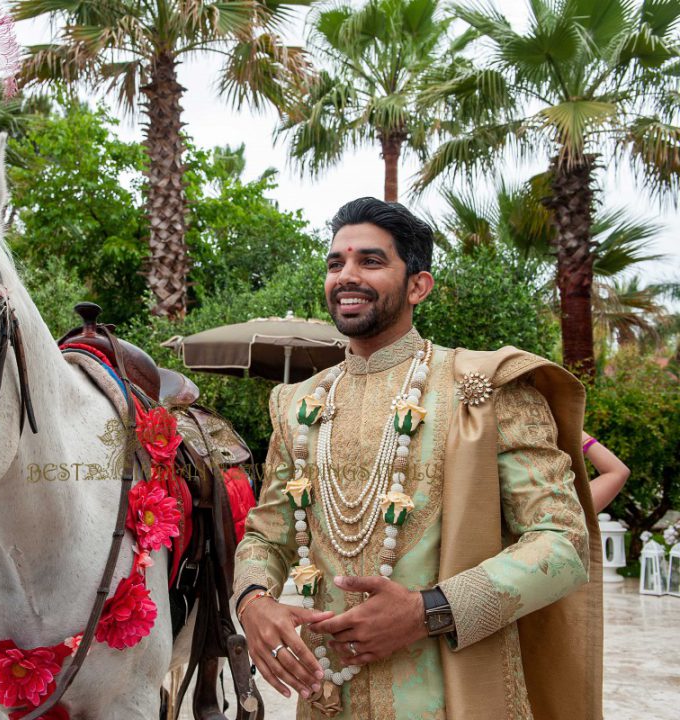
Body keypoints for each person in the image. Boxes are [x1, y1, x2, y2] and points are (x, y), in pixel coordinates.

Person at [233, 198, 602, 719]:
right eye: (336, 263)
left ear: (418, 286)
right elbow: (264, 533)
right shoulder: (296, 404)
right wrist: (253, 601)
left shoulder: (484, 388)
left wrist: (428, 611)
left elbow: (563, 542)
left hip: (454, 696)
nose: (347, 276)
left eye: (371, 261)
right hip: (327, 700)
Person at [582, 431, 630, 512]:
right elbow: (618, 472)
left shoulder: (562, 506)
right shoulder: (565, 506)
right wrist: (571, 427)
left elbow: (618, 472)